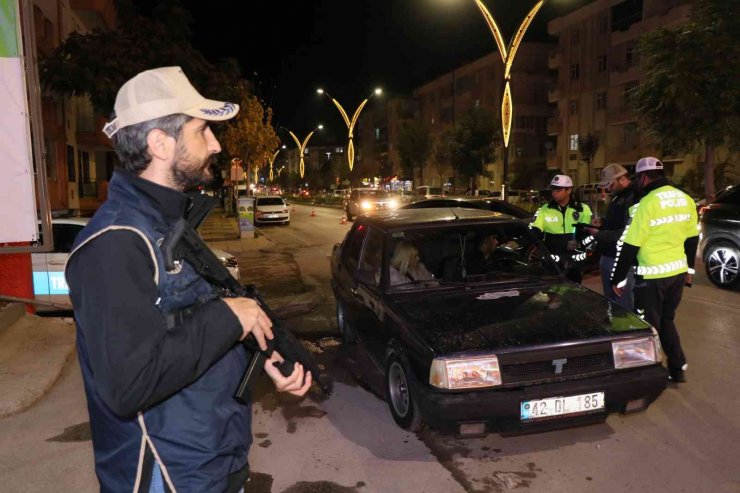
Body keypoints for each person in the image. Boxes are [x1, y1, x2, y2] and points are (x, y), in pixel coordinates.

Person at [65, 67, 311, 493]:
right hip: (168, 472)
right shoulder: (117, 243)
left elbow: (182, 324)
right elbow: (130, 384)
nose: (216, 144)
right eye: (202, 132)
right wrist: (229, 319)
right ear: (160, 143)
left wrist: (257, 352)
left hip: (210, 457)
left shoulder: (164, 223)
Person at [610, 157, 699, 383]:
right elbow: (692, 238)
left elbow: (630, 245)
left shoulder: (647, 204)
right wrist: (689, 268)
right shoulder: (685, 199)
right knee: (667, 320)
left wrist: (618, 278)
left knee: (647, 326)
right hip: (677, 273)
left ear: (644, 177)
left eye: (637, 177)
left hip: (651, 276)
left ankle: (647, 373)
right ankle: (677, 368)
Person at [585, 163, 639, 310]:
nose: (608, 188)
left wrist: (600, 234)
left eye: (610, 184)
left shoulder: (633, 198)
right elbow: (616, 223)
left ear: (622, 179)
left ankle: (624, 331)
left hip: (621, 260)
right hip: (608, 254)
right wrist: (602, 223)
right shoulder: (618, 196)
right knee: (611, 303)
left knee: (622, 306)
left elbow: (628, 231)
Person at [530, 174, 592, 283]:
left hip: (575, 264)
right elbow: (534, 231)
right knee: (552, 295)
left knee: (573, 295)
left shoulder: (583, 209)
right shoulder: (544, 210)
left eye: (558, 190)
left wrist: (578, 243)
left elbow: (588, 234)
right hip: (552, 264)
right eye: (553, 190)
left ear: (569, 190)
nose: (554, 193)